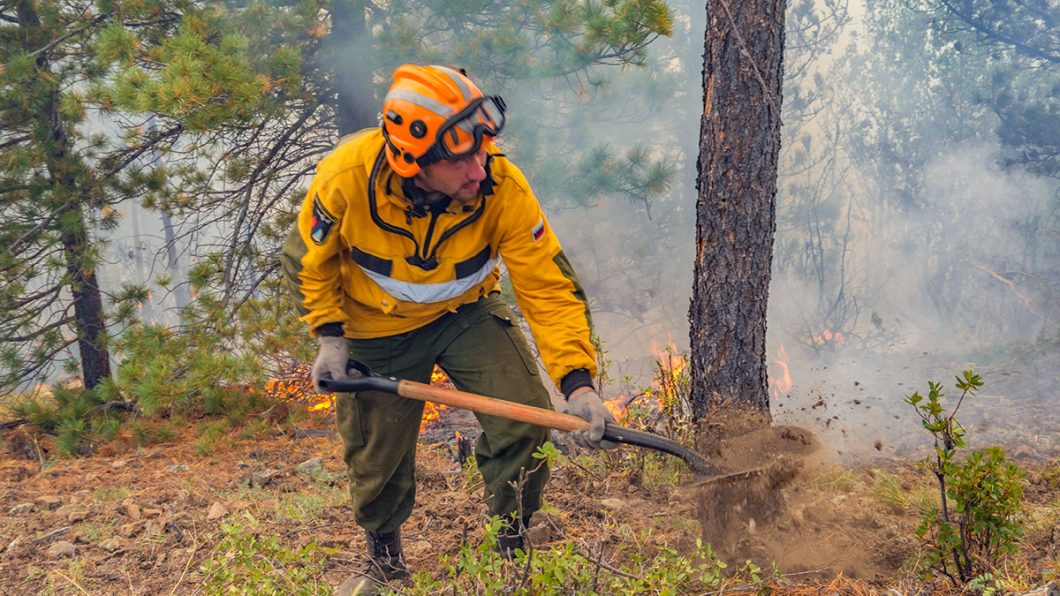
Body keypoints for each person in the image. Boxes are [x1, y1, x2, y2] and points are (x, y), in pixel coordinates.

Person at [281, 64, 615, 594]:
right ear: (412, 158)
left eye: (483, 150)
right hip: (374, 331)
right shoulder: (346, 176)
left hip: (467, 314)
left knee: (525, 425)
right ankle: (385, 562)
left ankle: (511, 549)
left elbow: (546, 283)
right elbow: (309, 257)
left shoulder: (501, 184)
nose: (480, 170)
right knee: (375, 458)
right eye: (462, 158)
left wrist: (578, 383)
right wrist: (330, 337)